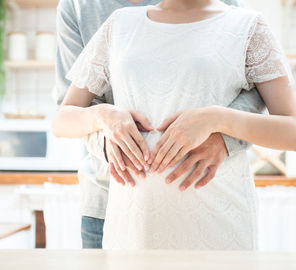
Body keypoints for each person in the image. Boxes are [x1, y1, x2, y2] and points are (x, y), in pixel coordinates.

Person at [55, 0, 269, 249]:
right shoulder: (79, 6)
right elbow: (71, 109)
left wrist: (224, 136)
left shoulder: (228, 12)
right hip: (109, 201)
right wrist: (106, 137)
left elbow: (257, 86)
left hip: (210, 202)